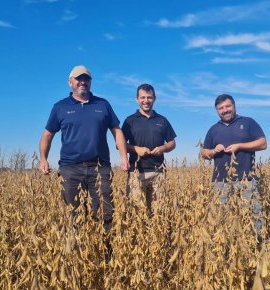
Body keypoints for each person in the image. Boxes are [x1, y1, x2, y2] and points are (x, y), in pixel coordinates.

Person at [39, 65, 129, 233]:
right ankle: (75, 255)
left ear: (90, 82)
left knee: (104, 212)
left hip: (100, 167)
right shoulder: (60, 107)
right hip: (70, 169)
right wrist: (43, 159)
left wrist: (124, 157)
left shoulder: (103, 104)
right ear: (70, 82)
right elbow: (47, 135)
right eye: (78, 79)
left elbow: (117, 131)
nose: (83, 82)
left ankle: (105, 253)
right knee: (71, 214)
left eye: (86, 79)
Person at [200, 94, 267, 240]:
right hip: (220, 181)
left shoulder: (248, 123)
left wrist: (240, 146)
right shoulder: (213, 130)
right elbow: (204, 153)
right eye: (221, 108)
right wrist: (213, 150)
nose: (225, 110)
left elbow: (263, 143)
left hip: (246, 179)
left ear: (234, 106)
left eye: (228, 106)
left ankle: (257, 246)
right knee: (222, 217)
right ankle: (228, 248)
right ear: (217, 111)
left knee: (254, 216)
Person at [122, 83, 176, 211]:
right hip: (136, 173)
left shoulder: (162, 120)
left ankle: (158, 232)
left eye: (149, 97)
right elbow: (120, 144)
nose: (146, 101)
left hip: (158, 172)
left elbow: (172, 143)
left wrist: (162, 148)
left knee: (159, 211)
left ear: (154, 99)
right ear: (137, 99)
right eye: (142, 97)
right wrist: (137, 149)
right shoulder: (130, 121)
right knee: (136, 211)